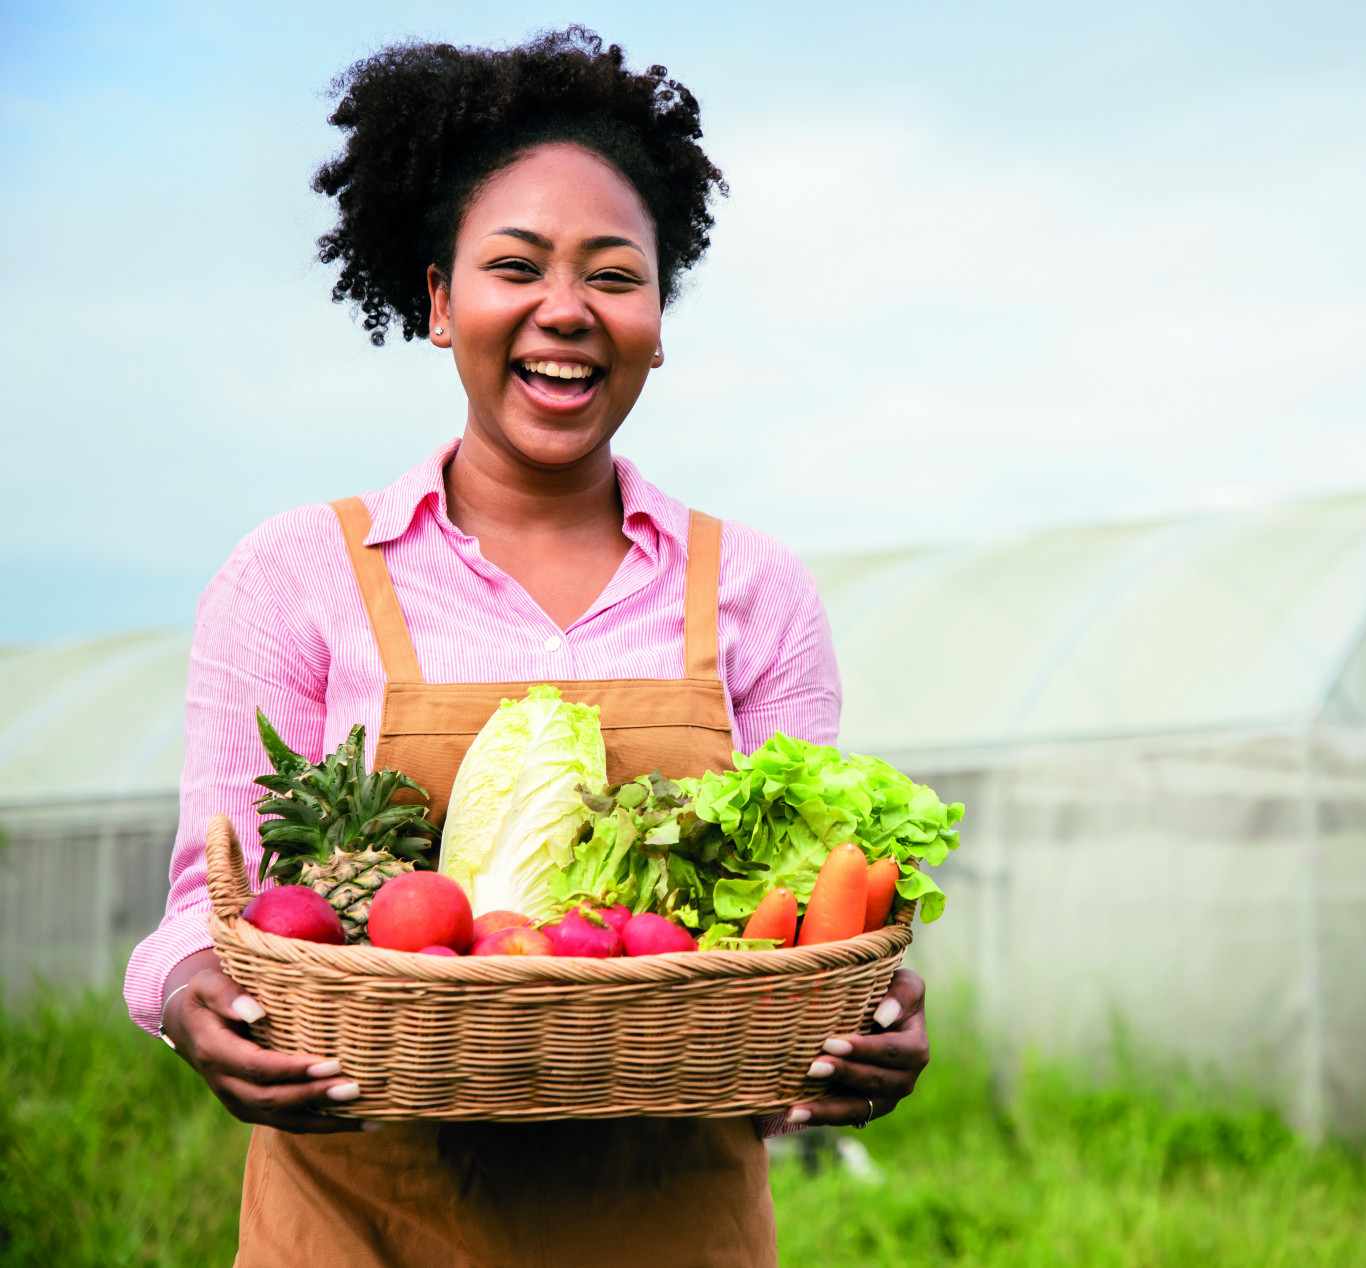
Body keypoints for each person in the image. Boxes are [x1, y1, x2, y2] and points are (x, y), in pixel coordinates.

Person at [122, 27, 930, 1266]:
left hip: (672, 1224)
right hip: (356, 1222)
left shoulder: (756, 588)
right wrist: (191, 998)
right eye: (516, 267)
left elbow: (807, 908)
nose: (567, 310)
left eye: (615, 274)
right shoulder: (296, 572)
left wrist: (858, 1013)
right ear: (440, 302)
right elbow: (207, 898)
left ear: (661, 319)